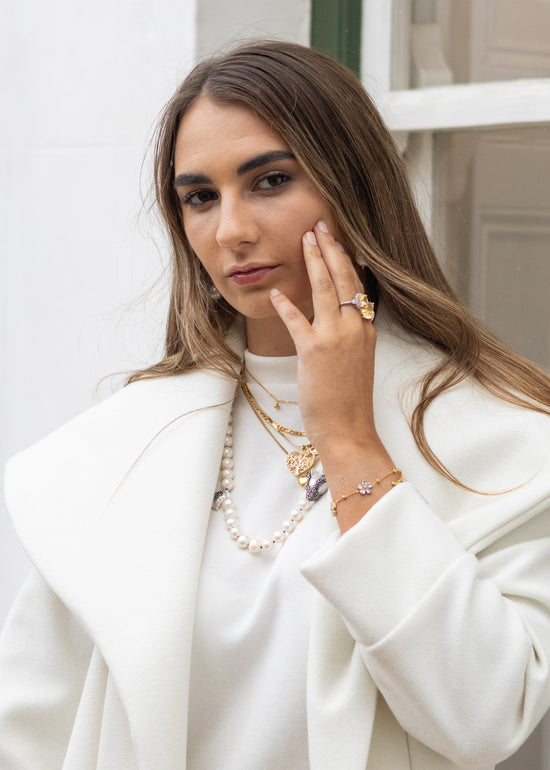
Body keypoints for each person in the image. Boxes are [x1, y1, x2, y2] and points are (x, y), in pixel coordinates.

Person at [1, 39, 550, 770]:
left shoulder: (503, 439)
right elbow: (33, 728)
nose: (231, 230)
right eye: (200, 196)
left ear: (350, 186)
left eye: (270, 181)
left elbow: (484, 719)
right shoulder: (119, 448)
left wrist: (350, 440)